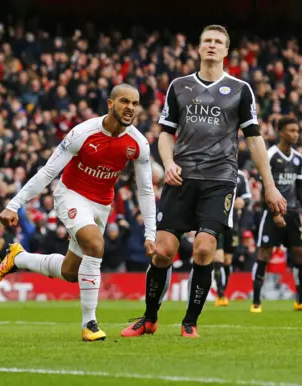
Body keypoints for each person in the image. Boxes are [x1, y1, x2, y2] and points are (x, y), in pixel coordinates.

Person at [121, 24, 286, 338]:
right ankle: (149, 318)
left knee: (204, 249)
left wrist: (269, 184)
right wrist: (168, 163)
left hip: (219, 180)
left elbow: (254, 139)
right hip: (181, 178)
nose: (212, 46)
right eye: (207, 41)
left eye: (218, 42)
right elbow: (165, 134)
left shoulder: (240, 89)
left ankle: (190, 323)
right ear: (199, 48)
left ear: (226, 50)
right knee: (163, 252)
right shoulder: (179, 86)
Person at [0, 84, 156, 342]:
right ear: (111, 104)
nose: (131, 108)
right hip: (71, 195)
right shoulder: (82, 133)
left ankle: (18, 259)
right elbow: (48, 172)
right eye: (125, 101)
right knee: (95, 244)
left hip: (101, 205)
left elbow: (146, 190)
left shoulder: (138, 143)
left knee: (71, 271)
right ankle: (89, 324)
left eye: (135, 104)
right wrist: (14, 204)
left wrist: (151, 233)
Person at [251, 116, 302, 313]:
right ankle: (256, 301)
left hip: (293, 212)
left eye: (297, 131)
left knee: (300, 254)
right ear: (281, 132)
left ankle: (300, 300)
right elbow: (265, 184)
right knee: (264, 253)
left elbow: (300, 186)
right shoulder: (270, 154)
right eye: (291, 131)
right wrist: (273, 213)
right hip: (272, 211)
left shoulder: (297, 158)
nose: (295, 134)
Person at [214, 170, 251, 306]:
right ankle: (220, 295)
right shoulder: (215, 171)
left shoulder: (241, 176)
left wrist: (243, 201)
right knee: (218, 258)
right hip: (217, 221)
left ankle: (223, 291)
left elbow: (248, 196)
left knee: (228, 260)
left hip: (233, 224)